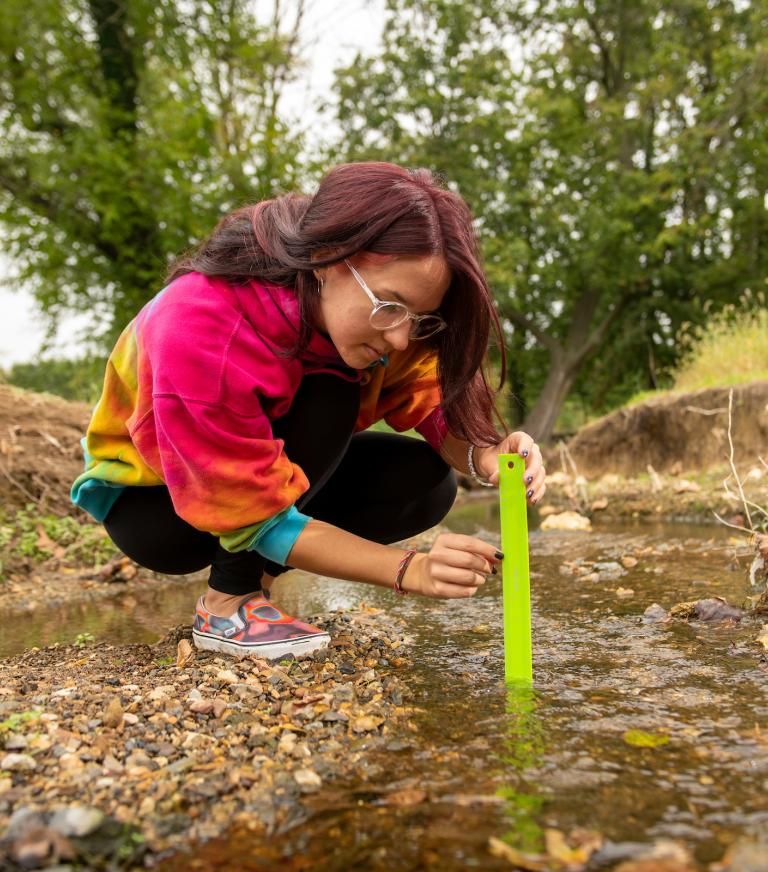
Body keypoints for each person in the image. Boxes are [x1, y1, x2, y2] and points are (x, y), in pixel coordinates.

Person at [71, 162, 546, 660]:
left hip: (263, 476)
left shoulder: (382, 322)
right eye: (390, 306)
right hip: (157, 506)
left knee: (425, 482)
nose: (402, 337)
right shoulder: (199, 323)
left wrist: (486, 455)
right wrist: (411, 569)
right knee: (331, 391)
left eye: (419, 319)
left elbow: (426, 398)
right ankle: (228, 606)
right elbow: (251, 512)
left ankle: (255, 590)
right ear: (327, 259)